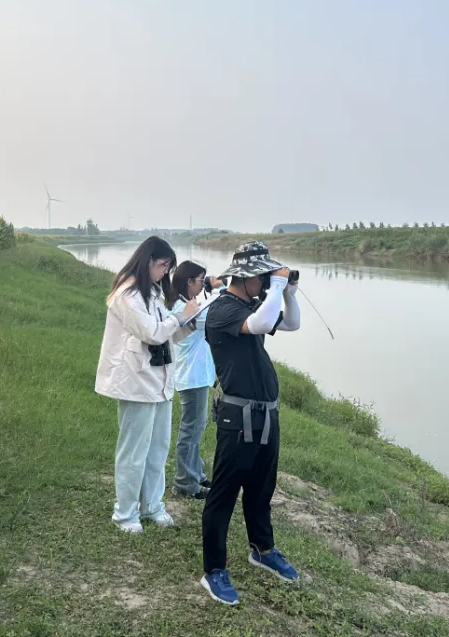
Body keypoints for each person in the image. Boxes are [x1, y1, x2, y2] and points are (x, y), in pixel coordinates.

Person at [199, 241, 302, 606]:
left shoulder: (251, 303)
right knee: (223, 495)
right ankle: (214, 571)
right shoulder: (223, 309)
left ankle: (262, 549)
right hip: (237, 416)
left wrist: (287, 291)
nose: (264, 281)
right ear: (245, 277)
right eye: (261, 275)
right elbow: (259, 323)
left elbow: (291, 323)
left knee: (262, 489)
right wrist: (275, 286)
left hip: (266, 413)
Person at [94, 236, 200, 534]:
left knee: (157, 449)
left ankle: (152, 506)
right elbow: (153, 332)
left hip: (159, 381)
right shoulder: (127, 295)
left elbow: (167, 333)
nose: (165, 272)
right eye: (163, 265)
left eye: (168, 267)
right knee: (133, 451)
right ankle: (125, 513)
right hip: (136, 382)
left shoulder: (152, 293)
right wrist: (180, 317)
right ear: (148, 261)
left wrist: (188, 322)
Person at [166, 261, 224, 500]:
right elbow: (215, 317)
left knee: (196, 428)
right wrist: (221, 289)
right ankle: (185, 483)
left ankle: (196, 474)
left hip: (196, 376)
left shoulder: (185, 304)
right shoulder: (184, 308)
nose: (203, 284)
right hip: (192, 377)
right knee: (191, 430)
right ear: (189, 281)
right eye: (201, 280)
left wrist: (210, 289)